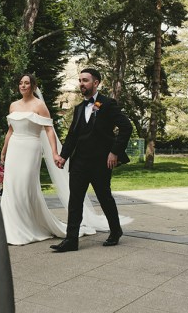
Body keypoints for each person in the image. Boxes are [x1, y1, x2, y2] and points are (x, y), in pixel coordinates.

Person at [51, 68, 132, 252]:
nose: (81, 83)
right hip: (79, 161)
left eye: (85, 80)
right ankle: (71, 240)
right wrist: (63, 156)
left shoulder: (108, 104)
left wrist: (115, 152)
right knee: (75, 200)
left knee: (104, 198)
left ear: (96, 83)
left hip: (101, 162)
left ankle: (115, 230)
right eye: (80, 80)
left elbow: (126, 127)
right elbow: (72, 136)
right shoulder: (79, 108)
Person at [0, 74, 68, 245]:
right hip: (14, 147)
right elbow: (10, 130)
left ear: (33, 86)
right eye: (21, 83)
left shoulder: (39, 105)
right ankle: (10, 228)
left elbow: (49, 130)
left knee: (24, 186)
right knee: (11, 187)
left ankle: (27, 226)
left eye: (27, 83)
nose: (23, 86)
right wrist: (4, 150)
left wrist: (53, 152)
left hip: (31, 148)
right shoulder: (13, 105)